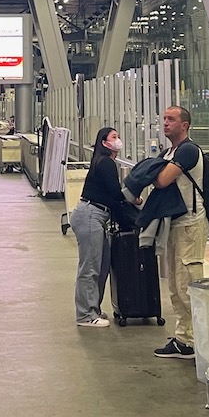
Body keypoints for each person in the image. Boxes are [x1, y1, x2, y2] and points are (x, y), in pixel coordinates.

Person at [147, 105, 209, 360]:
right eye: (163, 119)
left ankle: (194, 341)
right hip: (174, 223)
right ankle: (183, 337)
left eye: (171, 119)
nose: (165, 123)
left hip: (190, 224)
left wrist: (153, 173)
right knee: (174, 283)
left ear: (184, 125)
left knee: (188, 282)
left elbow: (160, 180)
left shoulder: (188, 150)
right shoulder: (169, 152)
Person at [74, 127, 129, 328]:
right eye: (114, 137)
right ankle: (85, 315)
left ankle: (93, 309)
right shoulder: (105, 163)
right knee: (90, 268)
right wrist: (133, 199)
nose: (118, 140)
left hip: (98, 217)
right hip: (90, 215)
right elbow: (115, 194)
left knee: (102, 265)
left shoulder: (107, 162)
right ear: (104, 143)